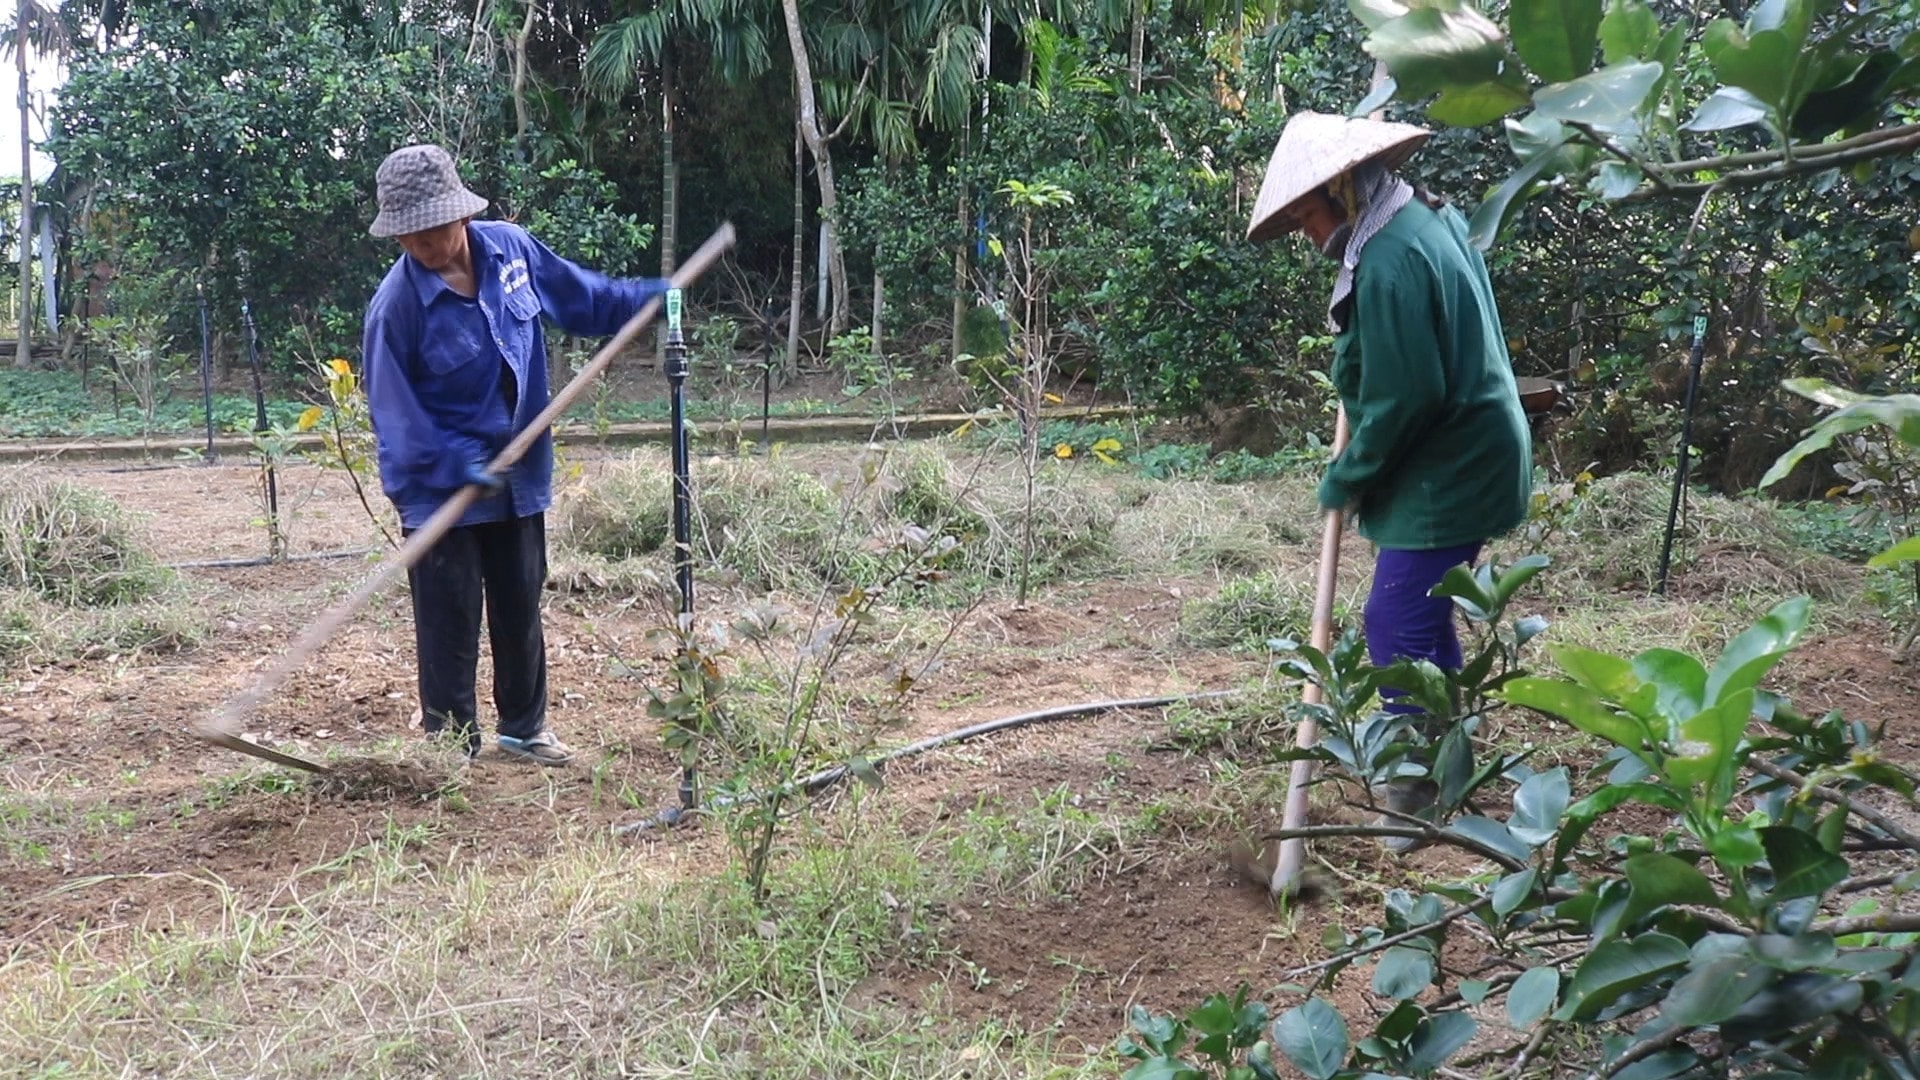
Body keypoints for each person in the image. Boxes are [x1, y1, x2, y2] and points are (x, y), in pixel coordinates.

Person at [1246, 112, 1532, 837]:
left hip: (1452, 462)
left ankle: (1415, 787)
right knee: (1423, 611)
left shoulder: (1390, 259)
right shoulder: (1419, 217)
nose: (1310, 239)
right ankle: (1446, 765)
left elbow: (1408, 396)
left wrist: (1350, 473)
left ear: (1344, 189)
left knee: (1395, 620)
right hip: (1470, 444)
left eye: (1309, 218)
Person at [361, 144, 669, 765]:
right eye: (411, 237)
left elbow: (579, 296)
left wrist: (642, 297)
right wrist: (452, 466)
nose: (426, 245)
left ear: (463, 214)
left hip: (519, 472)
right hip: (438, 485)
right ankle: (449, 747)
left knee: (519, 600)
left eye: (436, 229)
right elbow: (395, 418)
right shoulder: (395, 309)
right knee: (449, 619)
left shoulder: (512, 253)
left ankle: (523, 730)